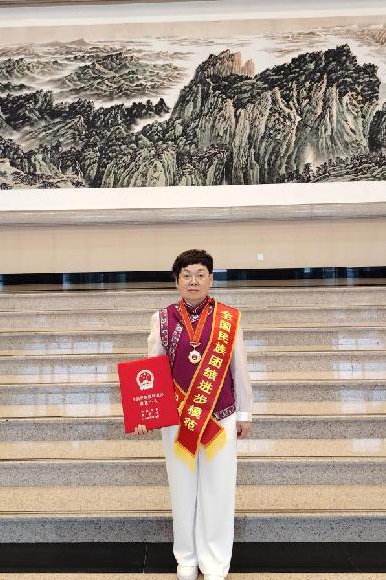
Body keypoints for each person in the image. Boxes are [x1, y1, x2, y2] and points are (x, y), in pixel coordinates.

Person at [134, 248, 253, 580]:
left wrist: (244, 413)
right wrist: (146, 413)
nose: (193, 281)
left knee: (218, 489)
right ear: (177, 281)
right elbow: (152, 368)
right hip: (176, 418)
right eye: (186, 275)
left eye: (200, 275)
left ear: (211, 280)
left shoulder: (229, 318)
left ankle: (215, 561)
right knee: (182, 489)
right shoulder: (162, 318)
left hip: (221, 415)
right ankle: (186, 558)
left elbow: (239, 367)